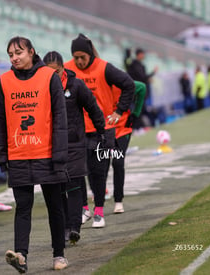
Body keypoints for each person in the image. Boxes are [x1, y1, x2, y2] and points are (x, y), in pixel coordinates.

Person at [0, 36, 69, 272]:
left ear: (31, 52)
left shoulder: (49, 76)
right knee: (23, 207)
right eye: (10, 55)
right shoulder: (4, 81)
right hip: (18, 155)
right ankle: (21, 255)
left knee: (54, 206)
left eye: (18, 52)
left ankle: (59, 255)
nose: (14, 58)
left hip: (47, 154)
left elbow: (60, 118)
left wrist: (59, 154)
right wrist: (0, 154)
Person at [64, 33, 134, 228]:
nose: (79, 61)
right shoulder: (67, 69)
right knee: (80, 171)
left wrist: (119, 111)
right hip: (77, 130)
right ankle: (85, 209)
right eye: (75, 57)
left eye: (82, 57)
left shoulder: (104, 68)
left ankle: (99, 212)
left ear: (89, 55)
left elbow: (129, 84)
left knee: (99, 171)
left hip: (102, 129)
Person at [43, 51, 105, 244]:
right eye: (49, 72)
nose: (54, 75)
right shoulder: (42, 87)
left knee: (75, 186)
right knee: (59, 189)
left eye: (57, 71)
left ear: (63, 68)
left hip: (76, 142)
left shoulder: (76, 85)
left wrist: (101, 129)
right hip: (52, 146)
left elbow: (92, 107)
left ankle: (74, 228)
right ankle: (65, 228)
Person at [109, 81, 146, 214]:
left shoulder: (120, 81)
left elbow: (142, 87)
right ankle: (98, 198)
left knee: (118, 162)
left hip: (122, 129)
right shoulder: (92, 85)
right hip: (102, 129)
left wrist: (136, 113)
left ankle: (118, 200)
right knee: (96, 165)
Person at [127, 48, 157, 130]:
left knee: (141, 110)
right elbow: (142, 77)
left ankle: (140, 127)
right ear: (139, 54)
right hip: (136, 91)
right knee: (138, 110)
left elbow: (143, 77)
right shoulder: (134, 64)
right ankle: (137, 128)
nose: (143, 56)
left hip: (141, 91)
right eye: (142, 54)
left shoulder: (140, 65)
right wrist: (152, 73)